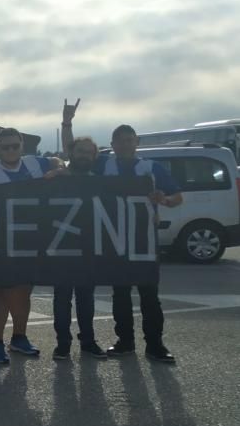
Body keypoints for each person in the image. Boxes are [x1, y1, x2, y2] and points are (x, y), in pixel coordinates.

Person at [62, 103, 182, 363]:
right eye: (120, 141)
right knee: (121, 292)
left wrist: (165, 200)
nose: (126, 145)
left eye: (130, 140)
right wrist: (67, 123)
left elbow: (176, 197)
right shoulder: (104, 164)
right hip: (113, 238)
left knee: (149, 293)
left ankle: (155, 344)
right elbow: (73, 151)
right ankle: (125, 341)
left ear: (136, 142)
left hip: (143, 239)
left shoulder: (151, 168)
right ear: (113, 144)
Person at [0, 128, 63, 364]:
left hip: (30, 240)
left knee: (23, 290)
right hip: (1, 242)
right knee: (3, 293)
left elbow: (57, 161)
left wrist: (56, 170)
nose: (11, 150)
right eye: (6, 147)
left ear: (21, 145)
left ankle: (19, 336)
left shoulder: (34, 164)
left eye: (15, 146)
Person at [49, 133, 106, 361]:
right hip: (60, 247)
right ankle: (62, 344)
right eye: (80, 151)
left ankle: (88, 341)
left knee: (86, 298)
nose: (84, 156)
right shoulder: (58, 178)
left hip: (88, 248)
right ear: (72, 153)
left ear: (94, 156)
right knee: (61, 298)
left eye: (89, 152)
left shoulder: (100, 182)